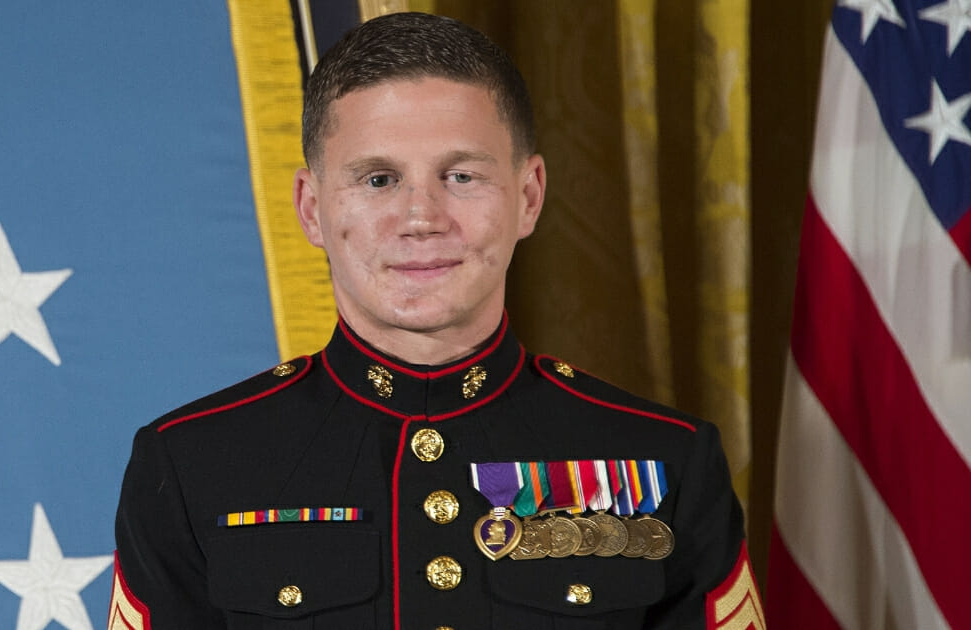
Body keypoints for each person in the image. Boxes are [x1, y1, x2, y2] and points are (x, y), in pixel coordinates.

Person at [109, 12, 762, 630]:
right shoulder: (191, 467)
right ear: (311, 209)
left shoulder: (668, 462)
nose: (421, 218)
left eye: (461, 175)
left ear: (529, 197)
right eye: (378, 180)